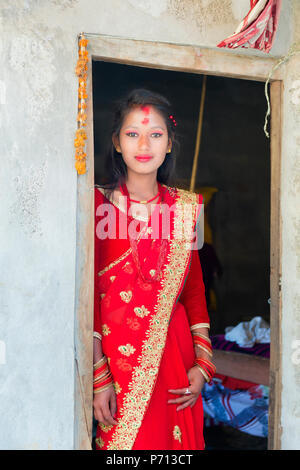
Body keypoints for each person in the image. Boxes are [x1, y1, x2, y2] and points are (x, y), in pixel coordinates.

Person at [93, 89, 215, 450]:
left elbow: (193, 290)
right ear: (117, 142)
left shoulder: (186, 209)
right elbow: (81, 295)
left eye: (155, 134)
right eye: (132, 133)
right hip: (116, 366)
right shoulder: (93, 203)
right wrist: (99, 376)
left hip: (175, 363)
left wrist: (203, 364)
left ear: (170, 144)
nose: (143, 144)